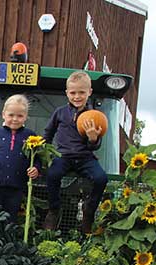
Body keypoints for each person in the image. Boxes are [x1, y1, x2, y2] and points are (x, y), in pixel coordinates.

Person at [42, 70, 108, 234]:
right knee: (52, 174)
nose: (77, 96)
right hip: (63, 156)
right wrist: (43, 149)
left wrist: (93, 139)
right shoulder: (60, 112)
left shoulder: (94, 116)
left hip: (85, 158)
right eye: (73, 93)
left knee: (101, 178)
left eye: (81, 92)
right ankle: (54, 209)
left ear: (89, 92)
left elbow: (95, 146)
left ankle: (89, 211)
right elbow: (48, 133)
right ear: (67, 93)